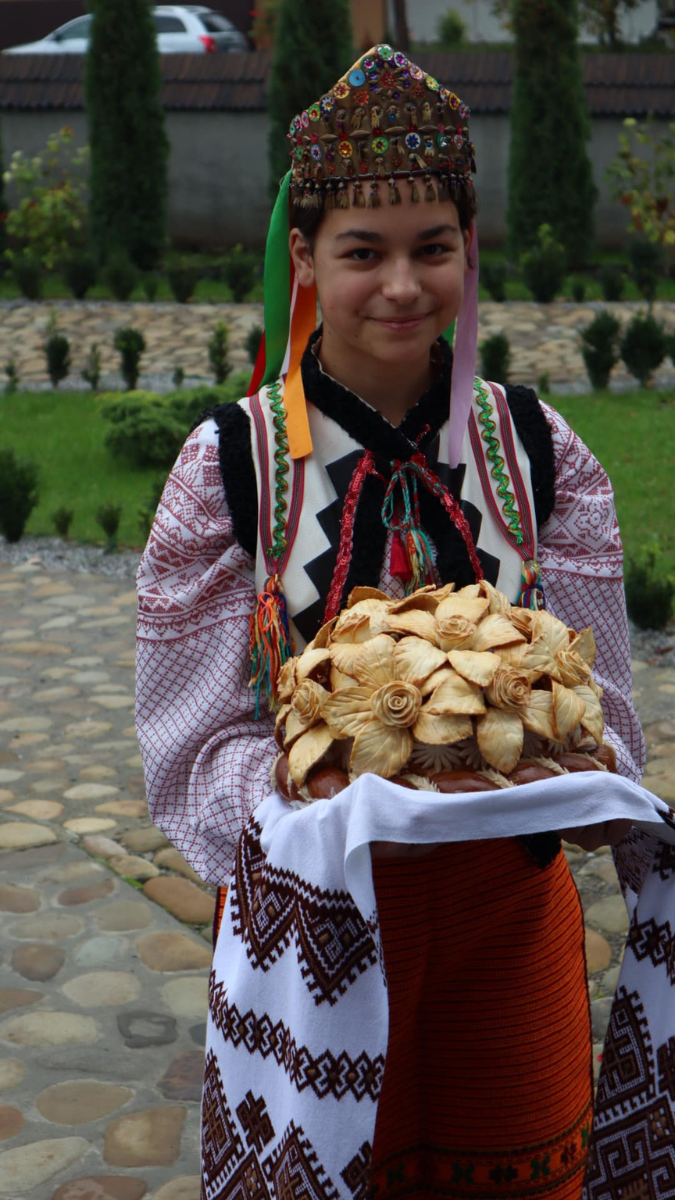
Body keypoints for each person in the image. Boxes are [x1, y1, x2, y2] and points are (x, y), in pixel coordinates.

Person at [136, 46, 665, 1200]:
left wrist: (600, 790)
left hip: (508, 921)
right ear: (306, 260)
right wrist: (313, 814)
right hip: (306, 931)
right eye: (362, 252)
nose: (402, 286)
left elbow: (597, 704)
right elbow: (190, 750)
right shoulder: (230, 469)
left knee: (522, 1168)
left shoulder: (538, 456)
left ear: (469, 253)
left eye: (434, 249)